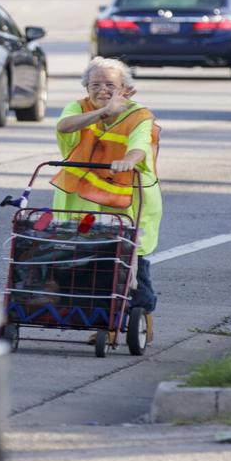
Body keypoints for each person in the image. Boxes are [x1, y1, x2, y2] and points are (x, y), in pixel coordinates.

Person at [52, 57, 162, 340]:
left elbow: (140, 146)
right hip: (84, 203)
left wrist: (128, 160)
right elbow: (65, 126)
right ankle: (103, 321)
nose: (102, 90)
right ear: (86, 87)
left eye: (110, 85)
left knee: (131, 262)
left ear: (125, 88)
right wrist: (103, 113)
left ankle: (140, 314)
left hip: (130, 201)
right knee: (89, 264)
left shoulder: (139, 115)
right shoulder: (79, 108)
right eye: (95, 84)